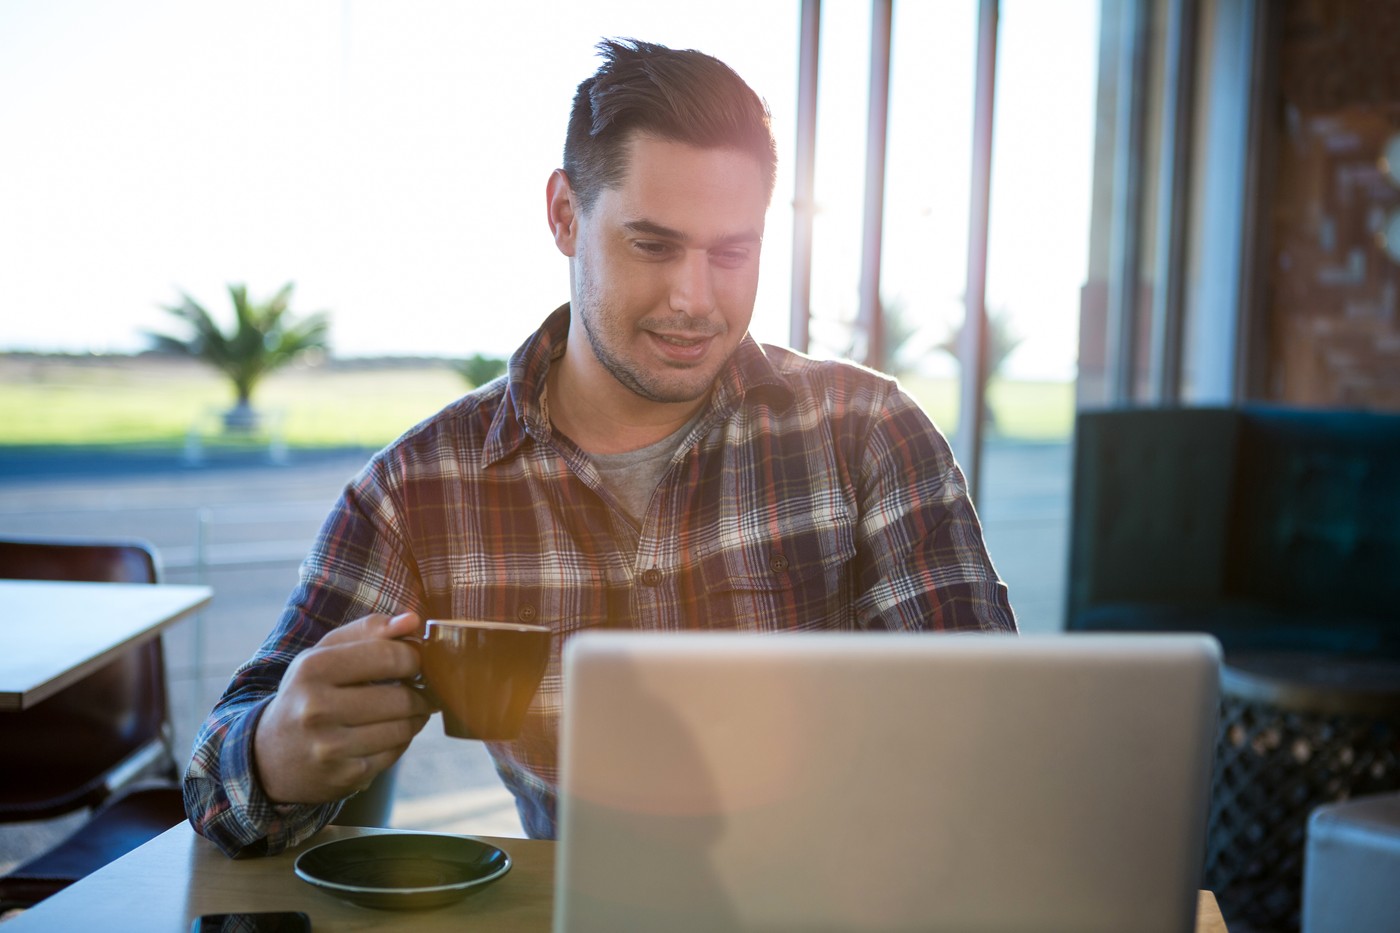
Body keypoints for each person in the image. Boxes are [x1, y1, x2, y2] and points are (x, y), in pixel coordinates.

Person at [184, 37, 1017, 858]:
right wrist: (273, 751)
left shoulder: (867, 431)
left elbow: (1002, 731)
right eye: (652, 245)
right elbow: (214, 783)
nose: (696, 299)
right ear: (563, 215)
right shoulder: (422, 486)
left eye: (733, 252)